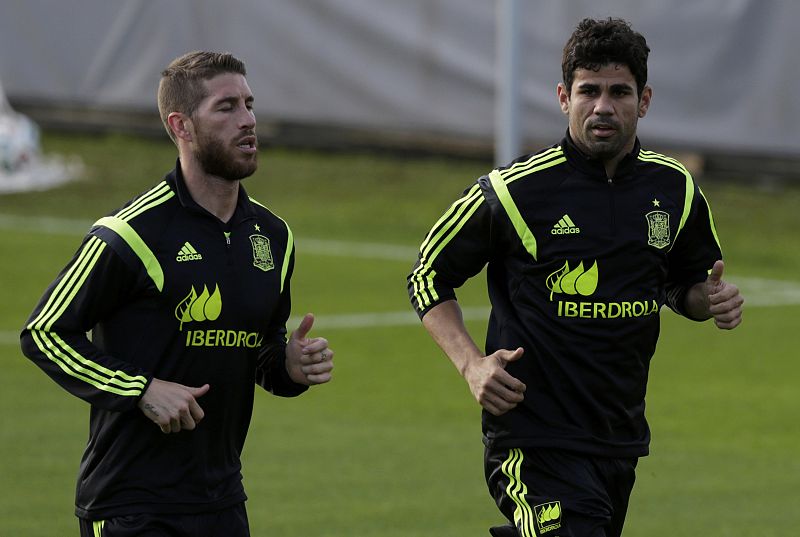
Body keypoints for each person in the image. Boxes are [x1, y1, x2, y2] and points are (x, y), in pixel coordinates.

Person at [407, 17, 743, 537]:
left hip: (618, 438)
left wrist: (708, 299)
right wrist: (472, 364)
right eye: (589, 91)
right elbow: (428, 273)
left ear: (644, 100)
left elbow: (682, 285)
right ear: (564, 97)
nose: (603, 106)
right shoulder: (514, 191)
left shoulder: (674, 188)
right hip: (532, 437)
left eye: (619, 92)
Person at [20, 51, 334, 537]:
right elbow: (44, 333)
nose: (248, 120)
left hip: (222, 500)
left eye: (249, 104)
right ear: (181, 126)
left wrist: (288, 366)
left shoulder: (274, 237)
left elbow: (261, 347)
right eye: (226, 107)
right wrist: (140, 389)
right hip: (132, 506)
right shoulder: (131, 233)